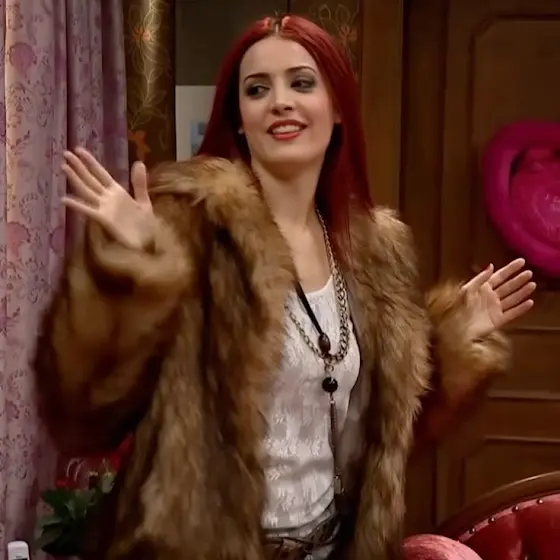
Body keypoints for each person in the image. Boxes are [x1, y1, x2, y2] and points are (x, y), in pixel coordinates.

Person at [33, 14, 535, 560]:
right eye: (257, 89)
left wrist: (453, 341)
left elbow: (384, 432)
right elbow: (84, 409)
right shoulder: (190, 224)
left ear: (337, 108)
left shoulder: (375, 252)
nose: (280, 102)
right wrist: (129, 274)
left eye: (301, 82)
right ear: (240, 121)